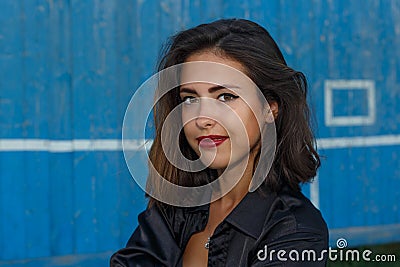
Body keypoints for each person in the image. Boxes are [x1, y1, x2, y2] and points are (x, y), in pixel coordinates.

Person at [111, 19, 328, 266]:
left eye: (226, 96)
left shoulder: (296, 232)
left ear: (270, 107)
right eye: (190, 99)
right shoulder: (175, 208)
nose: (203, 119)